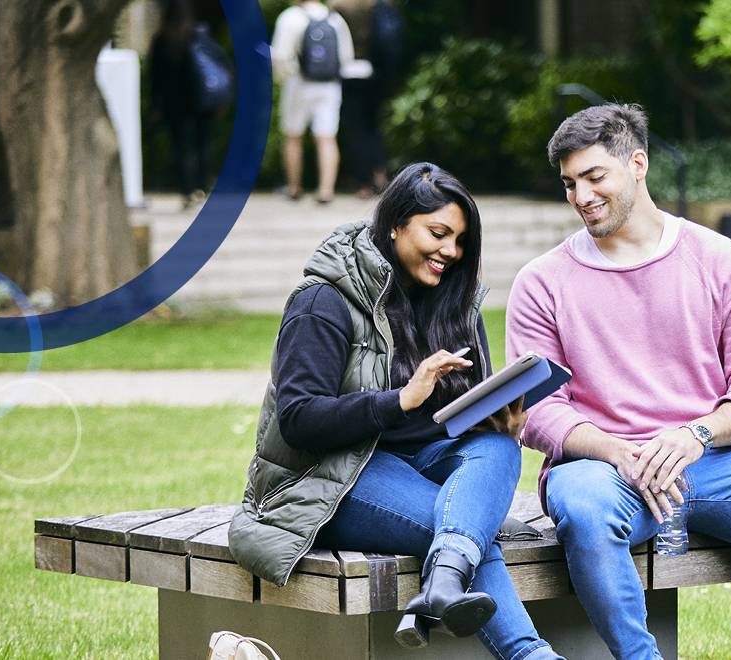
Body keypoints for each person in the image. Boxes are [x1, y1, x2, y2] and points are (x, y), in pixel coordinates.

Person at [505, 104, 731, 660]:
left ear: (638, 163)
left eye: (594, 177)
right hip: (605, 473)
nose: (581, 196)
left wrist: (694, 435)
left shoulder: (723, 261)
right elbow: (537, 410)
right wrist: (617, 452)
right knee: (583, 506)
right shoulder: (542, 282)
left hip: (710, 463)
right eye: (569, 183)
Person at [228, 162, 561, 659]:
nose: (451, 251)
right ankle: (527, 651)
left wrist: (503, 422)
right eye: (438, 233)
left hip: (429, 463)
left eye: (460, 240)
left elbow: (463, 416)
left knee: (492, 451)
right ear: (395, 225)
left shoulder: (455, 302)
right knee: (463, 531)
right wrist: (401, 399)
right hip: (335, 476)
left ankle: (442, 588)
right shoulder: (325, 300)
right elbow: (296, 421)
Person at [270, 0, 358, 204]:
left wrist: (284, 77)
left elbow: (281, 56)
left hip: (298, 84)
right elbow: (346, 57)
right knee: (326, 138)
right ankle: (326, 191)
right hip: (329, 86)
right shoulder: (335, 18)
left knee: (293, 136)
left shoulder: (290, 16)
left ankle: (294, 188)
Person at [148, 0, 212, 209]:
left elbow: (154, 77)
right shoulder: (196, 37)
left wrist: (156, 105)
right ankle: (202, 186)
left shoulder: (161, 40)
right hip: (201, 100)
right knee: (202, 145)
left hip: (174, 103)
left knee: (181, 147)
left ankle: (187, 190)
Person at [330, 0, 395, 198]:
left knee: (354, 130)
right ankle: (380, 176)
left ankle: (363, 183)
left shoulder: (337, 5)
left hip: (349, 72)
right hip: (375, 72)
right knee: (373, 127)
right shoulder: (377, 4)